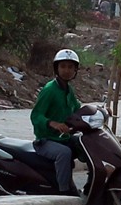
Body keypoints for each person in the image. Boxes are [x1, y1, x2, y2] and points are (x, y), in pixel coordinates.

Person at [30, 48, 82, 196]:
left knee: (84, 145)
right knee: (64, 153)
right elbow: (36, 115)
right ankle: (64, 191)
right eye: (63, 66)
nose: (67, 70)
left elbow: (78, 109)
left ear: (75, 70)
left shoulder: (68, 90)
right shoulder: (50, 90)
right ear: (56, 68)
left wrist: (98, 111)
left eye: (70, 67)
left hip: (62, 138)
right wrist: (52, 123)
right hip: (46, 140)